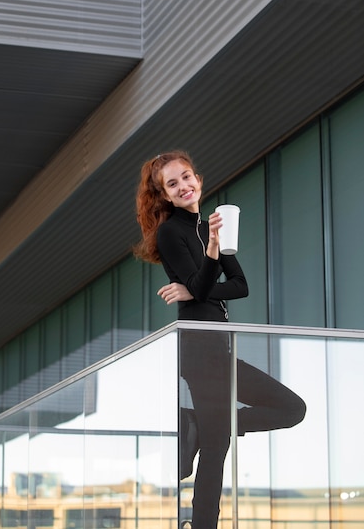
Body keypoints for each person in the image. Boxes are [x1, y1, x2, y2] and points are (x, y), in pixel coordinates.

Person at [134, 150, 306, 529]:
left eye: (186, 176)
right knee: (216, 448)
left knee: (292, 409)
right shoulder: (170, 232)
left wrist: (195, 288)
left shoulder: (217, 225)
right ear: (164, 194)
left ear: (198, 178)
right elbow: (203, 283)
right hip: (198, 350)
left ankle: (197, 421)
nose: (183, 186)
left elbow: (240, 287)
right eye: (172, 183)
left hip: (220, 350)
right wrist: (210, 256)